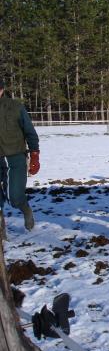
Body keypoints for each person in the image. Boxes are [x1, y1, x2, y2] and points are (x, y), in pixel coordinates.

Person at [0, 78, 40, 239]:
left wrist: (35, 154)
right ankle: (1, 232)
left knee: (14, 197)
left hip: (14, 156)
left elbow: (29, 131)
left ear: (1, 89)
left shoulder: (15, 107)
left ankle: (26, 209)